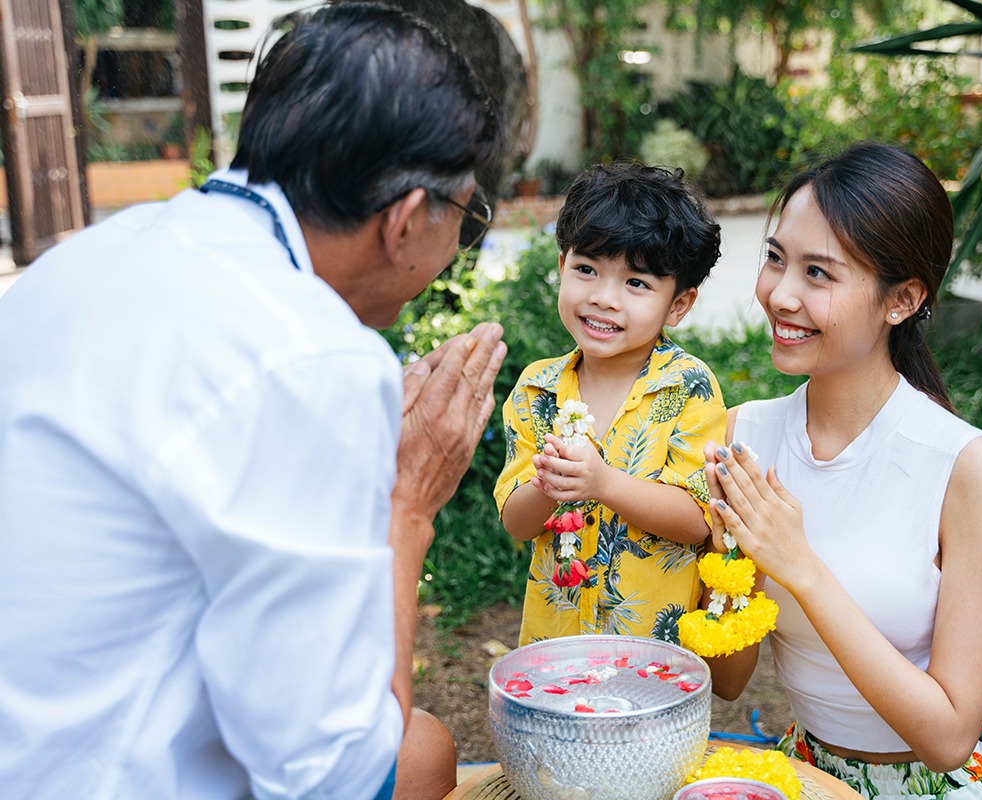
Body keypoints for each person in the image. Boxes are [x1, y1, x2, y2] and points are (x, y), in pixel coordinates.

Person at [0, 5, 506, 800]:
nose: (455, 250)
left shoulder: (86, 258)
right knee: (406, 757)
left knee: (429, 749)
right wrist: (408, 499)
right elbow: (339, 779)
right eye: (466, 217)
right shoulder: (311, 355)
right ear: (406, 221)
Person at [702, 143, 982, 798]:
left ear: (901, 300)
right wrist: (732, 560)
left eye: (819, 274)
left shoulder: (966, 467)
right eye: (776, 259)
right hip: (810, 772)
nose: (781, 295)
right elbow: (729, 679)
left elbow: (948, 739)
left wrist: (798, 563)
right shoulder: (745, 434)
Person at [494, 162, 726, 645]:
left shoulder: (688, 386)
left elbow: (696, 521)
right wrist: (548, 484)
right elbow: (517, 523)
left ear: (678, 305)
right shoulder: (538, 389)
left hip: (650, 661)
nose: (603, 298)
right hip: (556, 651)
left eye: (636, 283)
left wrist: (603, 483)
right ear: (562, 268)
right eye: (586, 270)